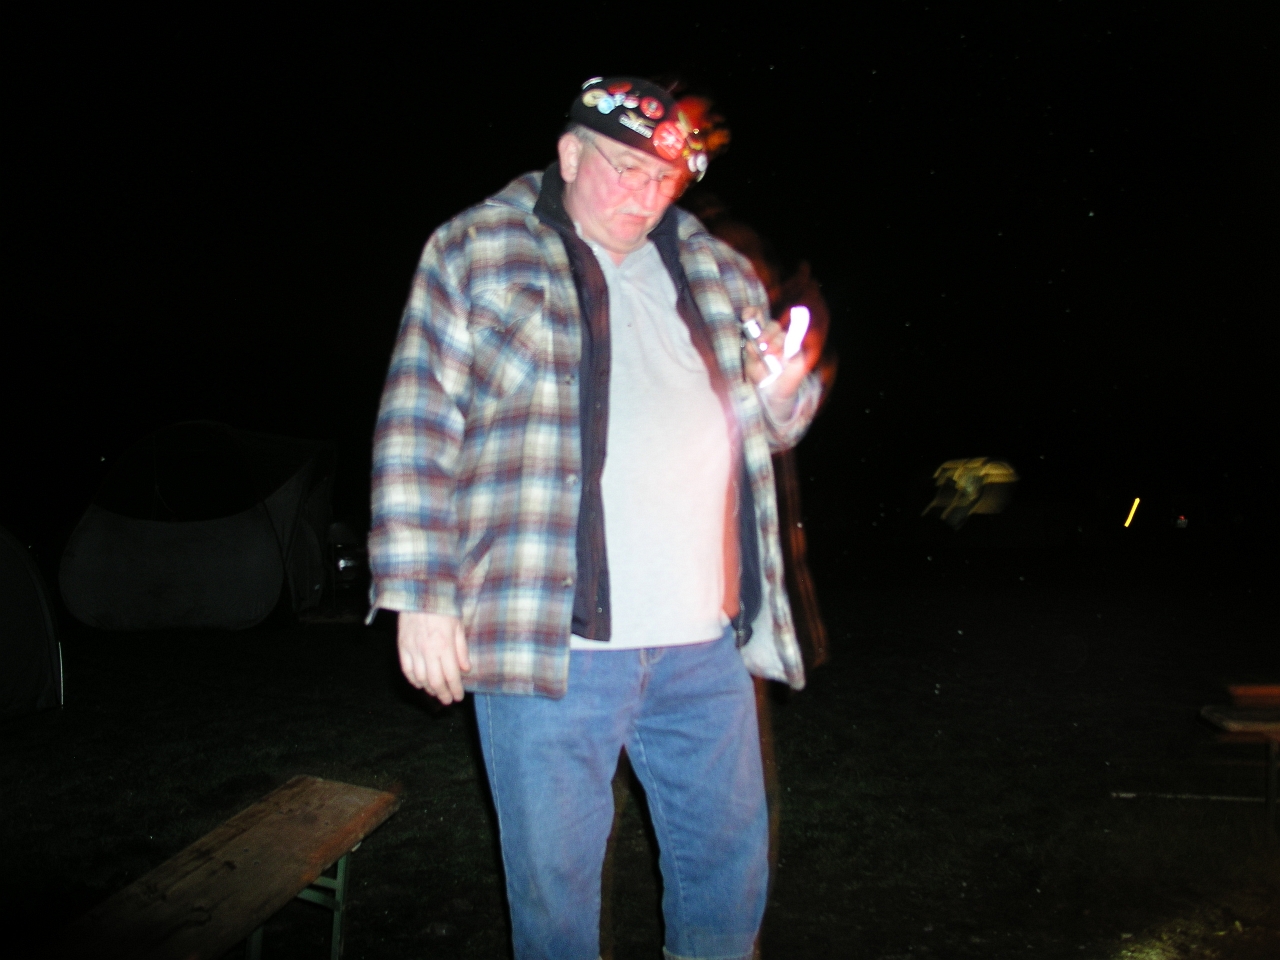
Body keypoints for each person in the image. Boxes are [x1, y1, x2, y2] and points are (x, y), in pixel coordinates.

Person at [369, 76, 822, 960]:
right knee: (556, 901)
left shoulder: (717, 270)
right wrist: (420, 593)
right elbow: (418, 421)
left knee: (728, 881)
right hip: (551, 646)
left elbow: (771, 425)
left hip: (705, 646)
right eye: (624, 169)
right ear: (570, 154)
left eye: (664, 180)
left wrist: (784, 392)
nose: (644, 197)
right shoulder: (476, 248)